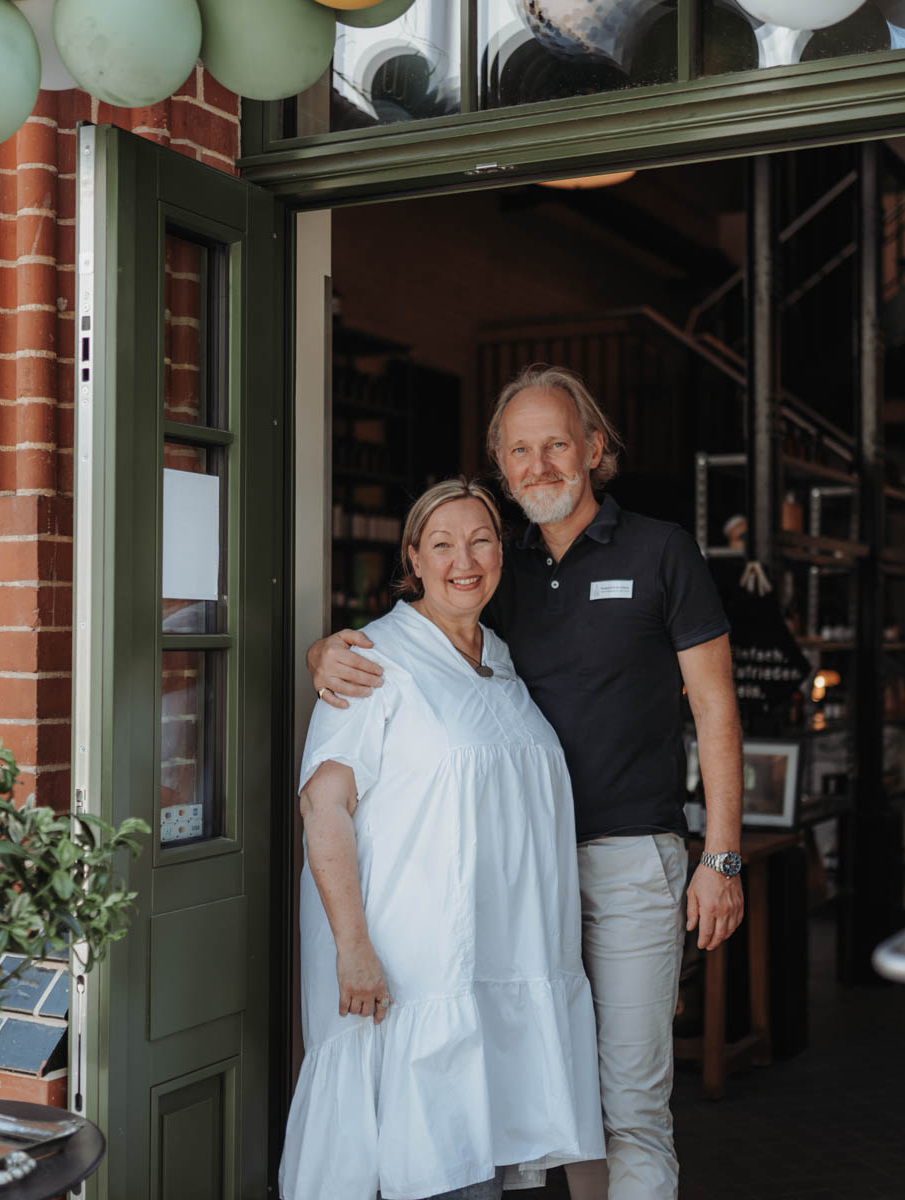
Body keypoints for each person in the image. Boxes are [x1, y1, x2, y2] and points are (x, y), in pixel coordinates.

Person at [308, 365, 745, 1200]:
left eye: (555, 445)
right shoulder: (499, 570)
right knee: (550, 1091)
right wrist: (323, 651)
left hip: (629, 861)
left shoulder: (661, 551)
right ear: (502, 468)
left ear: (594, 449)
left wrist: (721, 857)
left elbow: (716, 708)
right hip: (515, 879)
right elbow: (421, 642)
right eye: (518, 450)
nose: (538, 465)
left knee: (627, 1109)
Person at [281, 478, 604, 1200]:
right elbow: (322, 807)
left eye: (481, 541)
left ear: (502, 552)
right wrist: (353, 948)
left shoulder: (500, 658)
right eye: (443, 544)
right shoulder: (372, 658)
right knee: (428, 1167)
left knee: (473, 1164)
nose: (465, 560)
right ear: (413, 558)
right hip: (408, 974)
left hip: (494, 963)